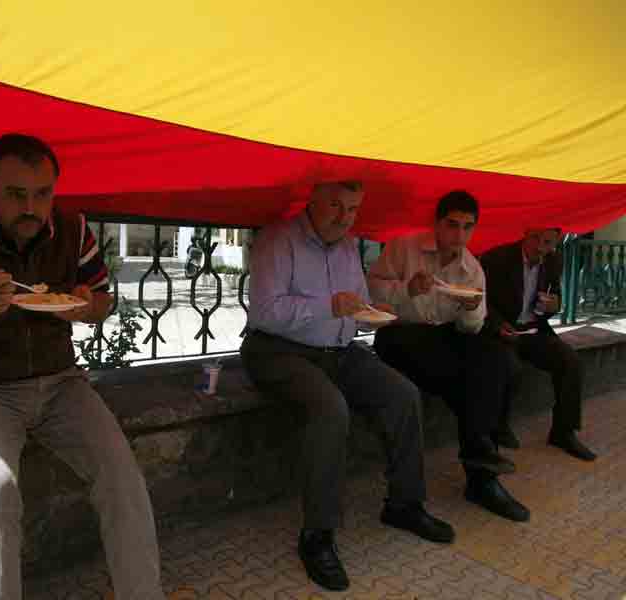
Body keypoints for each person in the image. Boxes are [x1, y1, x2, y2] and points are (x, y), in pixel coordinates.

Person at [0, 134, 169, 600]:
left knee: (122, 474)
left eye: (43, 194)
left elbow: (102, 298)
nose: (31, 208)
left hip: (62, 383)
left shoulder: (72, 229)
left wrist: (86, 307)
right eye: (16, 195)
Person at [241, 181, 455, 593]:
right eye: (336, 206)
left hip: (338, 349)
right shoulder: (276, 239)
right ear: (312, 202)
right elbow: (265, 312)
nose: (345, 217)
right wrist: (327, 307)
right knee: (330, 409)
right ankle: (317, 536)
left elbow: (356, 310)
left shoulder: (347, 247)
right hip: (278, 350)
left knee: (403, 395)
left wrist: (382, 311)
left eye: (353, 208)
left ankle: (404, 504)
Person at [368, 190, 530, 523]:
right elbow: (370, 291)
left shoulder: (472, 270)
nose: (459, 235)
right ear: (437, 223)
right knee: (471, 381)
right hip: (398, 335)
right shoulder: (403, 248)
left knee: (493, 357)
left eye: (467, 227)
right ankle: (483, 468)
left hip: (442, 340)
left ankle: (481, 470)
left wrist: (471, 309)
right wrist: (406, 291)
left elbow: (471, 328)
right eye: (452, 225)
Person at [480, 227, 596, 460]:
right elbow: (480, 298)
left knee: (571, 361)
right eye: (537, 240)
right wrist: (497, 324)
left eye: (549, 243)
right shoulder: (498, 258)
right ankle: (498, 428)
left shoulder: (553, 260)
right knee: (508, 367)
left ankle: (563, 432)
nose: (542, 249)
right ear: (525, 233)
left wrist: (555, 306)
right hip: (502, 330)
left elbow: (555, 298)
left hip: (533, 330)